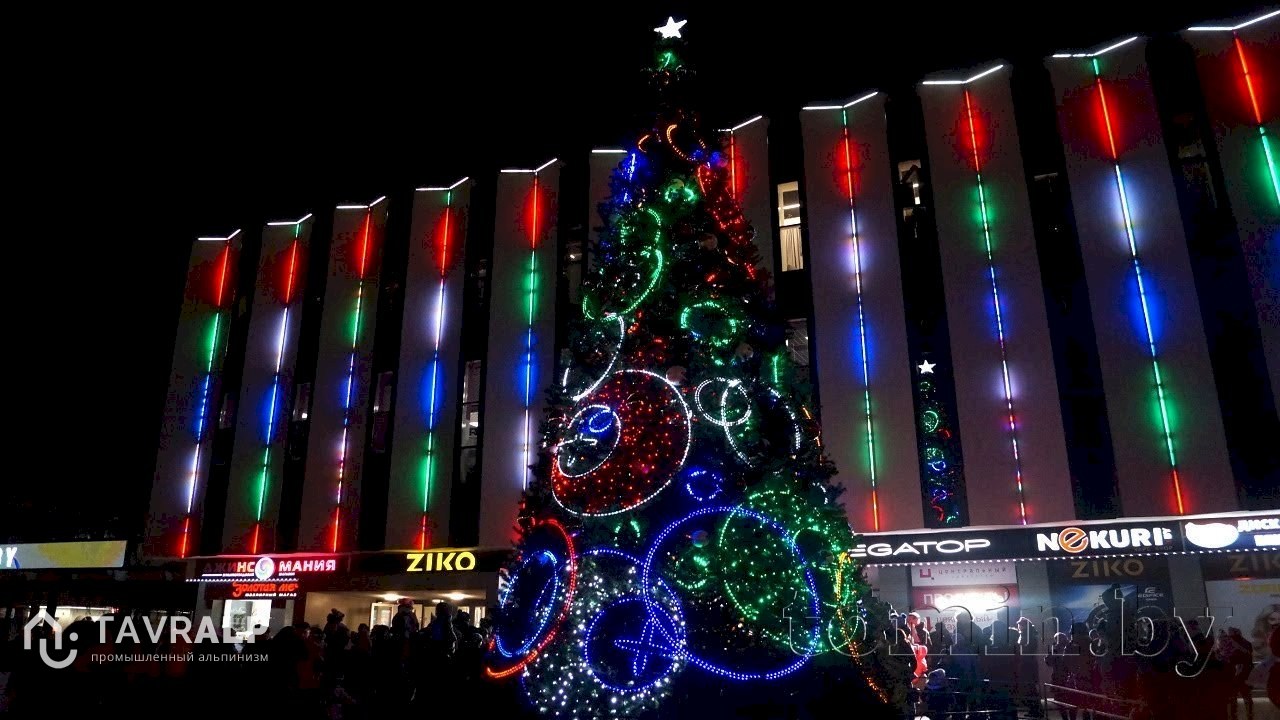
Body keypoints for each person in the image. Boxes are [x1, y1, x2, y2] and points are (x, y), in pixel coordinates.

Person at [1223, 627, 1254, 720]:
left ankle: (1236, 716)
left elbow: (1227, 659)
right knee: (1245, 698)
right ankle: (1248, 716)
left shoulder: (1232, 644)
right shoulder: (1245, 643)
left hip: (1237, 676)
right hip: (1242, 676)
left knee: (1235, 698)